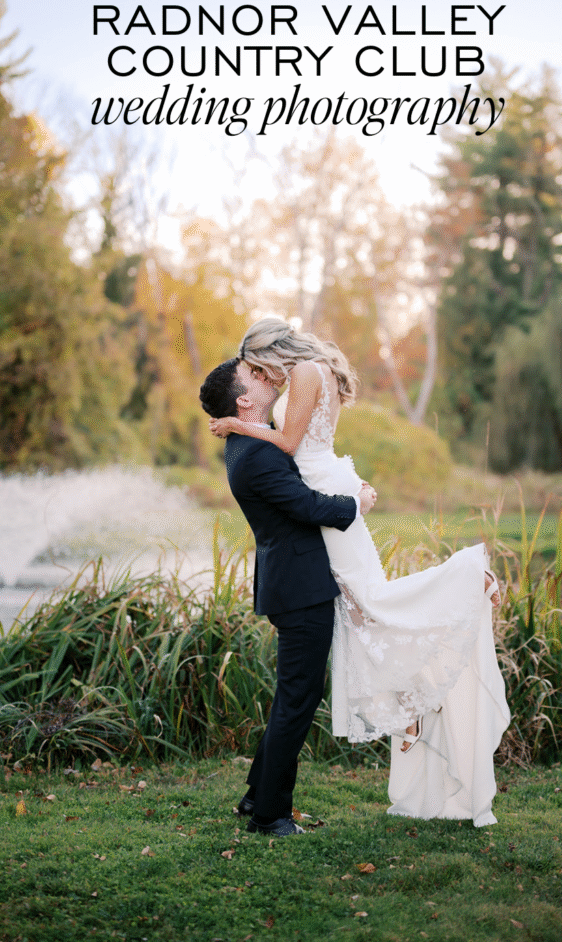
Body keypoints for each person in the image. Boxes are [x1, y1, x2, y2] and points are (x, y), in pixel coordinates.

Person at [208, 318, 511, 828]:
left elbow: (287, 445)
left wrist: (350, 497)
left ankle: (464, 581)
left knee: (371, 603)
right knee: (364, 611)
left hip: (329, 496)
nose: (265, 378)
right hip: (325, 496)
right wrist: (348, 493)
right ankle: (407, 701)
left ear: (274, 352)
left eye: (261, 367)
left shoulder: (302, 374)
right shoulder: (301, 379)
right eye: (256, 374)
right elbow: (294, 459)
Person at [199, 357, 377, 838]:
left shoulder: (250, 444)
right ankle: (270, 816)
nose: (264, 378)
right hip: (299, 588)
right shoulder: (255, 456)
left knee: (292, 697)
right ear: (242, 401)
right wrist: (355, 503)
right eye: (253, 377)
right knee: (299, 698)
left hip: (292, 582)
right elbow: (306, 506)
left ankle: (258, 794)